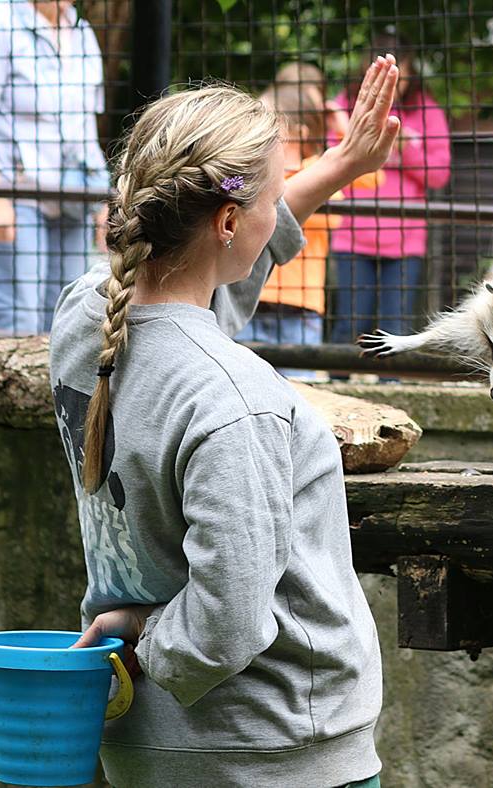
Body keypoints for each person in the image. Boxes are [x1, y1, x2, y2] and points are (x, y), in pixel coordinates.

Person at [49, 58, 401, 786]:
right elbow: (227, 621)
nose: (280, 212)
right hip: (277, 755)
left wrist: (338, 165)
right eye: (273, 197)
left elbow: (194, 272)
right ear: (231, 221)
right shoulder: (237, 401)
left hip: (144, 742)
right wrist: (144, 632)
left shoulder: (86, 321)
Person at [0, 0, 109, 335]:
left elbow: (85, 132)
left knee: (69, 323)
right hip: (11, 193)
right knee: (19, 323)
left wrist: (103, 202)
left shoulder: (81, 33)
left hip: (71, 199)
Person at [236, 69, 383, 379]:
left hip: (299, 311)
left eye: (270, 127)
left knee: (299, 394)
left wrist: (342, 128)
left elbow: (370, 175)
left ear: (300, 134)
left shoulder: (317, 170)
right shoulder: (247, 173)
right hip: (248, 301)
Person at [329, 30, 452, 344]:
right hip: (353, 236)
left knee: (394, 329)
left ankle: (390, 388)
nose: (398, 89)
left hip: (404, 240)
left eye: (403, 79)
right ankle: (338, 385)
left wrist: (406, 150)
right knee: (349, 326)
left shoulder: (426, 108)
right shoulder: (345, 105)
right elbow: (329, 163)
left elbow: (439, 173)